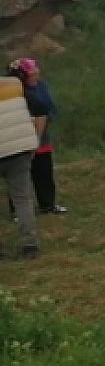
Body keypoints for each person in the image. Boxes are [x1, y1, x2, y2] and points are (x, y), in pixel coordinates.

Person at [12, 59, 64, 214]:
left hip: (42, 138)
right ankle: (17, 210)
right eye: (31, 73)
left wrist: (46, 118)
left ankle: (47, 205)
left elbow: (51, 108)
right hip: (21, 139)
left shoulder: (42, 86)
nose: (35, 74)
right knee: (19, 176)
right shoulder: (16, 91)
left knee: (44, 173)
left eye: (36, 71)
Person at [0, 69, 41, 258]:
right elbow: (39, 105)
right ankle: (30, 245)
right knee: (22, 198)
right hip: (20, 148)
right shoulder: (14, 85)